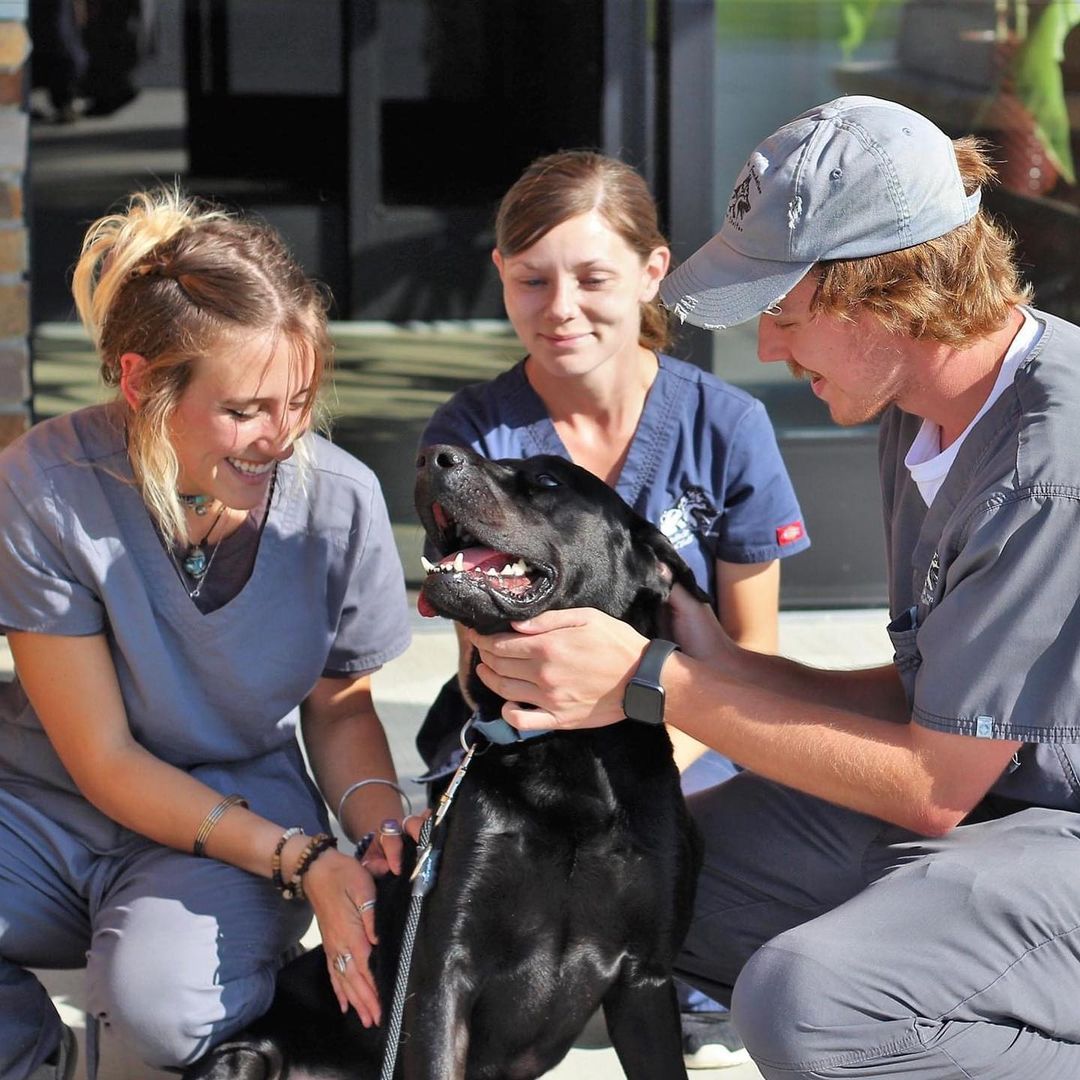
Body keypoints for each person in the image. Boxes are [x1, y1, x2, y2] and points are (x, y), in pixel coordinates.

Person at [467, 95, 1080, 1079]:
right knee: (651, 881)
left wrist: (649, 680)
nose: (766, 351)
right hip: (1005, 804)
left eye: (786, 316)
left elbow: (934, 784)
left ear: (889, 296)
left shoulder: (1048, 466)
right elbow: (944, 706)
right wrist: (719, 663)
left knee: (809, 1001)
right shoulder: (920, 408)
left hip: (1046, 831)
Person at [0, 189, 414, 1079]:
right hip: (48, 807)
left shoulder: (341, 503)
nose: (283, 436)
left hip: (240, 810)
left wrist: (380, 834)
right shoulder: (43, 483)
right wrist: (303, 860)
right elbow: (103, 762)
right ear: (143, 383)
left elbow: (340, 712)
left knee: (155, 1017)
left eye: (299, 400)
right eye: (246, 410)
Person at [418, 149, 810, 1069]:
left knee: (720, 827)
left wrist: (645, 756)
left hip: (682, 736)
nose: (561, 308)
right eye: (532, 279)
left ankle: (669, 962)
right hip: (526, 741)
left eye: (593, 278)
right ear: (501, 280)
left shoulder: (728, 428)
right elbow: (480, 665)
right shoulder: (473, 439)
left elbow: (749, 651)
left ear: (653, 272)